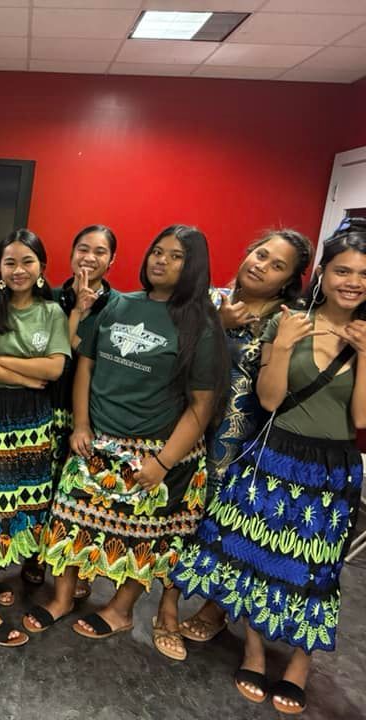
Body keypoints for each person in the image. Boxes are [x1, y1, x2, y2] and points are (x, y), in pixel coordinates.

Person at [171, 219, 366, 715]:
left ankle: (295, 660)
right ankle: (241, 644)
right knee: (248, 551)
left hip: (312, 461)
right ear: (325, 272)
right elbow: (266, 395)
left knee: (313, 567)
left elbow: (361, 417)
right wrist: (266, 340)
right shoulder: (275, 318)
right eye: (343, 269)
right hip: (253, 447)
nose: (354, 281)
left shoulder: (340, 328)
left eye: (364, 274)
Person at [33, 226, 228, 655]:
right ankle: (63, 597)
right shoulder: (118, 303)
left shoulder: (202, 327)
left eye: (176, 256)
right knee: (68, 524)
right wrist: (81, 425)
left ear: (192, 266)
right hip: (96, 441)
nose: (161, 260)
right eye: (157, 251)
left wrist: (163, 462)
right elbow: (84, 364)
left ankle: (121, 611)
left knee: (145, 540)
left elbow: (201, 405)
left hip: (156, 452)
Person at [174, 230, 311, 650]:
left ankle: (214, 608)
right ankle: (162, 591)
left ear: (287, 281)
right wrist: (218, 325)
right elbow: (168, 351)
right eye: (260, 253)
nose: (261, 265)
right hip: (182, 420)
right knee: (176, 507)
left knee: (224, 524)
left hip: (241, 439)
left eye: (277, 266)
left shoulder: (284, 321)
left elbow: (281, 389)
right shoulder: (208, 299)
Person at [0, 229, 71, 647]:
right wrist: (24, 370)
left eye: (27, 261)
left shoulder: (52, 312)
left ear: (41, 266)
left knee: (22, 501)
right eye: (10, 262)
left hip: (34, 419)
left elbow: (56, 369)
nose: (18, 270)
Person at [23, 225, 118, 595]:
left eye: (99, 251)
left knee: (83, 494)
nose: (89, 258)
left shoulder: (119, 306)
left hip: (89, 409)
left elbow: (90, 357)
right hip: (46, 402)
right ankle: (34, 555)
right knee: (40, 484)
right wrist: (76, 308)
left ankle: (77, 567)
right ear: (71, 252)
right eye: (82, 249)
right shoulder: (48, 295)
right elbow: (55, 351)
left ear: (112, 260)